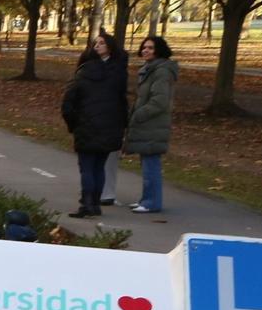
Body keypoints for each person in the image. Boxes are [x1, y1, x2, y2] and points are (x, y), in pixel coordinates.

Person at [60, 33, 128, 218]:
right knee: (99, 166)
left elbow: (68, 102)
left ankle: (87, 203)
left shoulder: (84, 72)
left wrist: (73, 123)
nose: (97, 46)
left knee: (88, 167)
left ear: (110, 47)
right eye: (95, 43)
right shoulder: (119, 72)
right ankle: (95, 203)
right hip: (109, 126)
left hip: (87, 125)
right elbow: (122, 102)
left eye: (101, 43)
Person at [124, 35, 177, 214]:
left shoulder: (161, 71)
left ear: (159, 50)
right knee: (146, 164)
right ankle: (146, 199)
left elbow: (159, 101)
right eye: (144, 47)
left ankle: (151, 202)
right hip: (147, 124)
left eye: (151, 48)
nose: (146, 50)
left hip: (153, 124)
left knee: (151, 165)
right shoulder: (149, 69)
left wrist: (139, 114)